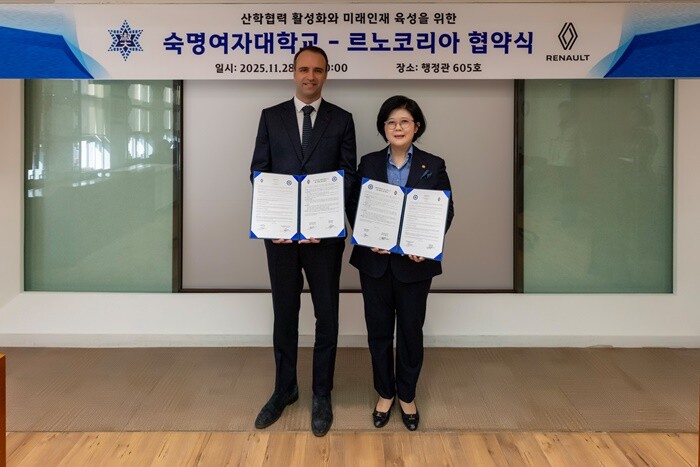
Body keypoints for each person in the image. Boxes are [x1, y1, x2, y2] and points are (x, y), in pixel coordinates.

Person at [249, 45, 357, 437]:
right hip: (280, 239)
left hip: (323, 239)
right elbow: (258, 172)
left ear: (327, 74)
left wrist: (323, 220)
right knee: (285, 313)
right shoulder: (270, 116)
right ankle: (285, 388)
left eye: (318, 70)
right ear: (293, 72)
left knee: (327, 316)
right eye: (304, 69)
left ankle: (321, 393)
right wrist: (277, 221)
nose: (310, 76)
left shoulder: (342, 119)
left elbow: (348, 175)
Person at [349, 95, 454, 431]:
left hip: (415, 266)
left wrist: (426, 244)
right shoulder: (368, 163)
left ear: (416, 127)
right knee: (378, 332)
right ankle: (385, 393)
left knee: (410, 332)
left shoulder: (433, 164)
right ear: (383, 128)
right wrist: (367, 236)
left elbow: (445, 210)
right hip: (375, 264)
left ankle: (407, 395)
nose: (398, 127)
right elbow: (355, 205)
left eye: (404, 122)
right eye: (391, 122)